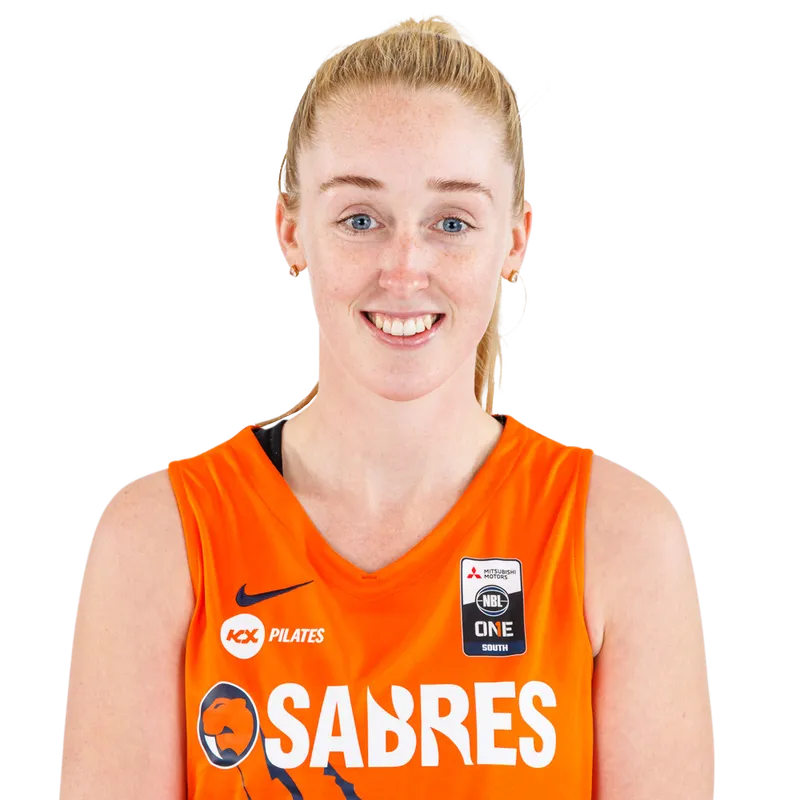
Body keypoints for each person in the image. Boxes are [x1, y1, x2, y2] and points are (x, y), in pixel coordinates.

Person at [58, 13, 715, 799]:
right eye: (360, 220)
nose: (405, 270)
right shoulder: (158, 540)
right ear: (291, 231)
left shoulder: (620, 538)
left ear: (515, 239)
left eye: (452, 222)